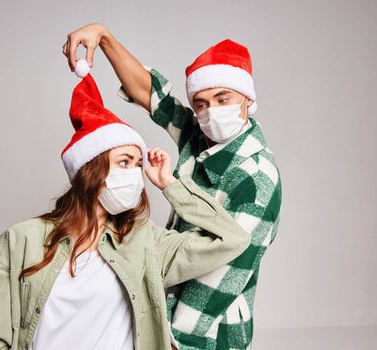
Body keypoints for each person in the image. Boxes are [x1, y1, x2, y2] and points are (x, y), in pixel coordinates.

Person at [0, 73, 250, 350]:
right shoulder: (19, 242)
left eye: (137, 165)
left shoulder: (144, 242)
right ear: (89, 169)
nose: (135, 175)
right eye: (124, 162)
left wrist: (169, 184)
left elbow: (233, 239)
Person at [63, 24, 282, 350]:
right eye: (202, 103)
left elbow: (226, 272)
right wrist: (104, 37)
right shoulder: (202, 138)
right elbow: (151, 95)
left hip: (206, 333)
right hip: (166, 306)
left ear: (248, 99)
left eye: (223, 99)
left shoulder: (258, 179)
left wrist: (174, 338)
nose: (211, 112)